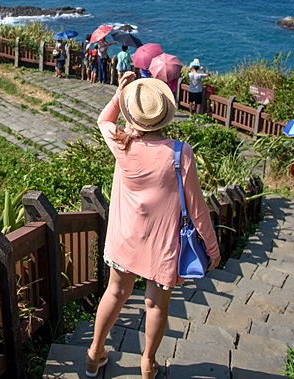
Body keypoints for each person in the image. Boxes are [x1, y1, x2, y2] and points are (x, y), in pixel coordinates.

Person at [86, 72, 221, 378]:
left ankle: (94, 353)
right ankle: (148, 363)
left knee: (115, 292)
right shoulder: (179, 153)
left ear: (134, 113)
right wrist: (212, 249)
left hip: (125, 237)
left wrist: (120, 94)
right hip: (163, 244)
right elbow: (198, 209)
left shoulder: (122, 143)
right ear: (164, 117)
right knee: (156, 304)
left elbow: (103, 121)